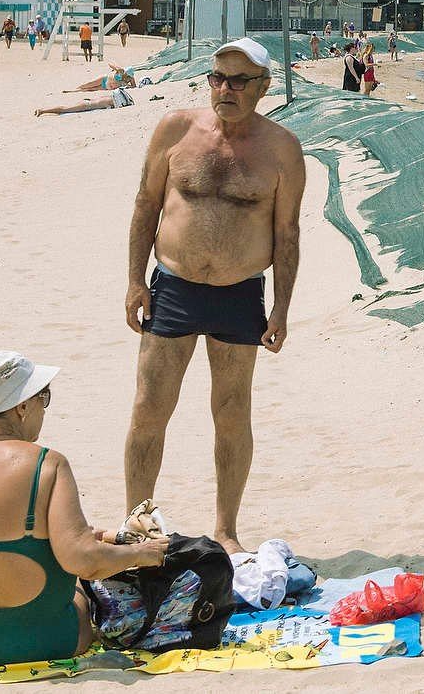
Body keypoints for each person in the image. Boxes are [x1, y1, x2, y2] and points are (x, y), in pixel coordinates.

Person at [123, 38, 306, 550]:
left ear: (264, 87)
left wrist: (283, 308)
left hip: (239, 293)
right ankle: (137, 523)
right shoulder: (176, 130)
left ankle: (226, 529)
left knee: (231, 413)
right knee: (150, 407)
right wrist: (136, 280)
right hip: (174, 287)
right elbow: (146, 204)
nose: (224, 89)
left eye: (239, 81)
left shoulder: (282, 150)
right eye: (217, 78)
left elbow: (287, 232)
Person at [0, 352, 168, 669]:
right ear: (22, 407)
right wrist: (142, 554)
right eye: (44, 397)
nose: (44, 407)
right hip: (46, 641)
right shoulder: (48, 463)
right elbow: (83, 560)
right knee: (83, 586)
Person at [35, 82, 135, 117]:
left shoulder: (108, 98)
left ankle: (44, 111)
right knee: (64, 109)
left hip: (87, 101)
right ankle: (42, 110)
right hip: (86, 106)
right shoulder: (110, 103)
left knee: (64, 109)